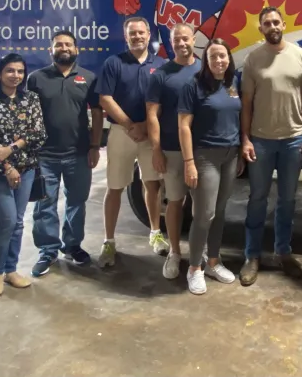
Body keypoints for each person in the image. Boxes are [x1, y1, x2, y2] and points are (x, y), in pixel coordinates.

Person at [239, 6, 302, 286]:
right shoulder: (253, 60)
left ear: (284, 24)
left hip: (293, 140)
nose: (272, 26)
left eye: (275, 22)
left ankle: (284, 251)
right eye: (266, 23)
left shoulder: (301, 56)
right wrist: (245, 139)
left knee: (287, 200)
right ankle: (252, 256)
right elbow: (246, 104)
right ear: (260, 29)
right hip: (260, 141)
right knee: (257, 199)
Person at [27, 30, 104, 277]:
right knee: (44, 204)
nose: (64, 47)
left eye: (68, 44)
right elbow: (26, 116)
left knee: (77, 202)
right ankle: (48, 251)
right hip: (44, 155)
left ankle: (72, 245)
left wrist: (94, 146)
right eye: (58, 44)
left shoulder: (89, 78)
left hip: (79, 153)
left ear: (76, 49)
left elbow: (98, 113)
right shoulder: (36, 79)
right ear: (51, 50)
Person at [97, 16, 168, 266]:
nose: (137, 37)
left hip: (151, 134)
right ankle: (109, 241)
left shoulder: (161, 65)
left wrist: (147, 128)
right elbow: (105, 98)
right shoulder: (113, 63)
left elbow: (164, 101)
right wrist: (130, 126)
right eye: (132, 33)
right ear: (126, 37)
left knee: (152, 184)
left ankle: (155, 234)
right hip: (121, 132)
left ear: (149, 35)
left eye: (141, 32)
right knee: (115, 187)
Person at [0, 52, 46, 296]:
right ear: (0, 73)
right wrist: (7, 166)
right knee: (5, 220)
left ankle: (11, 270)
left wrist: (12, 150)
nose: (15, 76)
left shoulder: (31, 99)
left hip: (25, 170)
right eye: (10, 71)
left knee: (16, 222)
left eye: (20, 71)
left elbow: (38, 134)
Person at [177, 38, 241, 295]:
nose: (219, 61)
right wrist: (189, 162)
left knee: (220, 211)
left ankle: (213, 262)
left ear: (229, 58)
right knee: (204, 214)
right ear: (206, 60)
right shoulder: (193, 86)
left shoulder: (234, 83)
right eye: (213, 56)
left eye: (223, 56)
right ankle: (194, 268)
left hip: (231, 155)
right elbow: (184, 126)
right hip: (205, 157)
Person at [146, 22, 202, 279]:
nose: (181, 43)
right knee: (175, 201)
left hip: (204, 150)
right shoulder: (161, 74)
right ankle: (175, 253)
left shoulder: (206, 69)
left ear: (193, 39)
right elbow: (152, 115)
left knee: (202, 205)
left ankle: (199, 253)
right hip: (171, 149)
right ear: (171, 42)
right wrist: (156, 150)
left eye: (185, 38)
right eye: (176, 39)